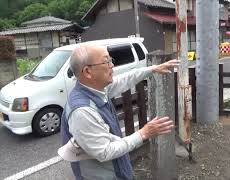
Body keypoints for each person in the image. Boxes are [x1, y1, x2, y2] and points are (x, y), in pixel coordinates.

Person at [58, 45, 180, 180]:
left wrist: (153, 69)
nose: (112, 66)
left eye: (111, 60)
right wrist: (143, 133)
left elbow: (125, 80)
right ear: (87, 71)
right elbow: (104, 151)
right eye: (106, 62)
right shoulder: (82, 111)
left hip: (118, 171)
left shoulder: (96, 89)